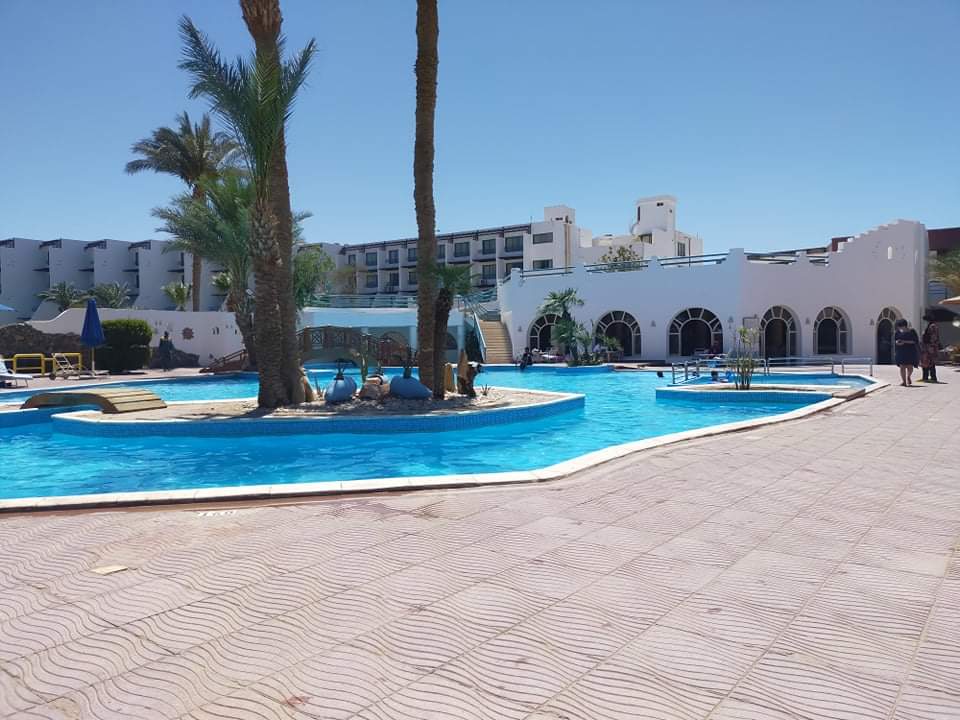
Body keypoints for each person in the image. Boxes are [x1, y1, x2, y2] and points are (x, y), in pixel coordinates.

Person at [893, 318, 920, 387]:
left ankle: (908, 376)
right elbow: (896, 340)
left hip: (910, 351)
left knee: (909, 366)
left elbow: (915, 341)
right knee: (902, 366)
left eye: (901, 326)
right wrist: (897, 343)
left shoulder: (912, 331)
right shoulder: (897, 332)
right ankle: (904, 382)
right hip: (901, 351)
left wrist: (904, 342)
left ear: (904, 325)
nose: (900, 328)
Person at [919, 313, 942, 383]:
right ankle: (926, 377)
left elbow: (933, 337)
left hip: (929, 347)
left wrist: (930, 346)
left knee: (930, 362)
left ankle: (932, 377)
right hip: (927, 347)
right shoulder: (931, 325)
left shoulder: (933, 326)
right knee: (926, 362)